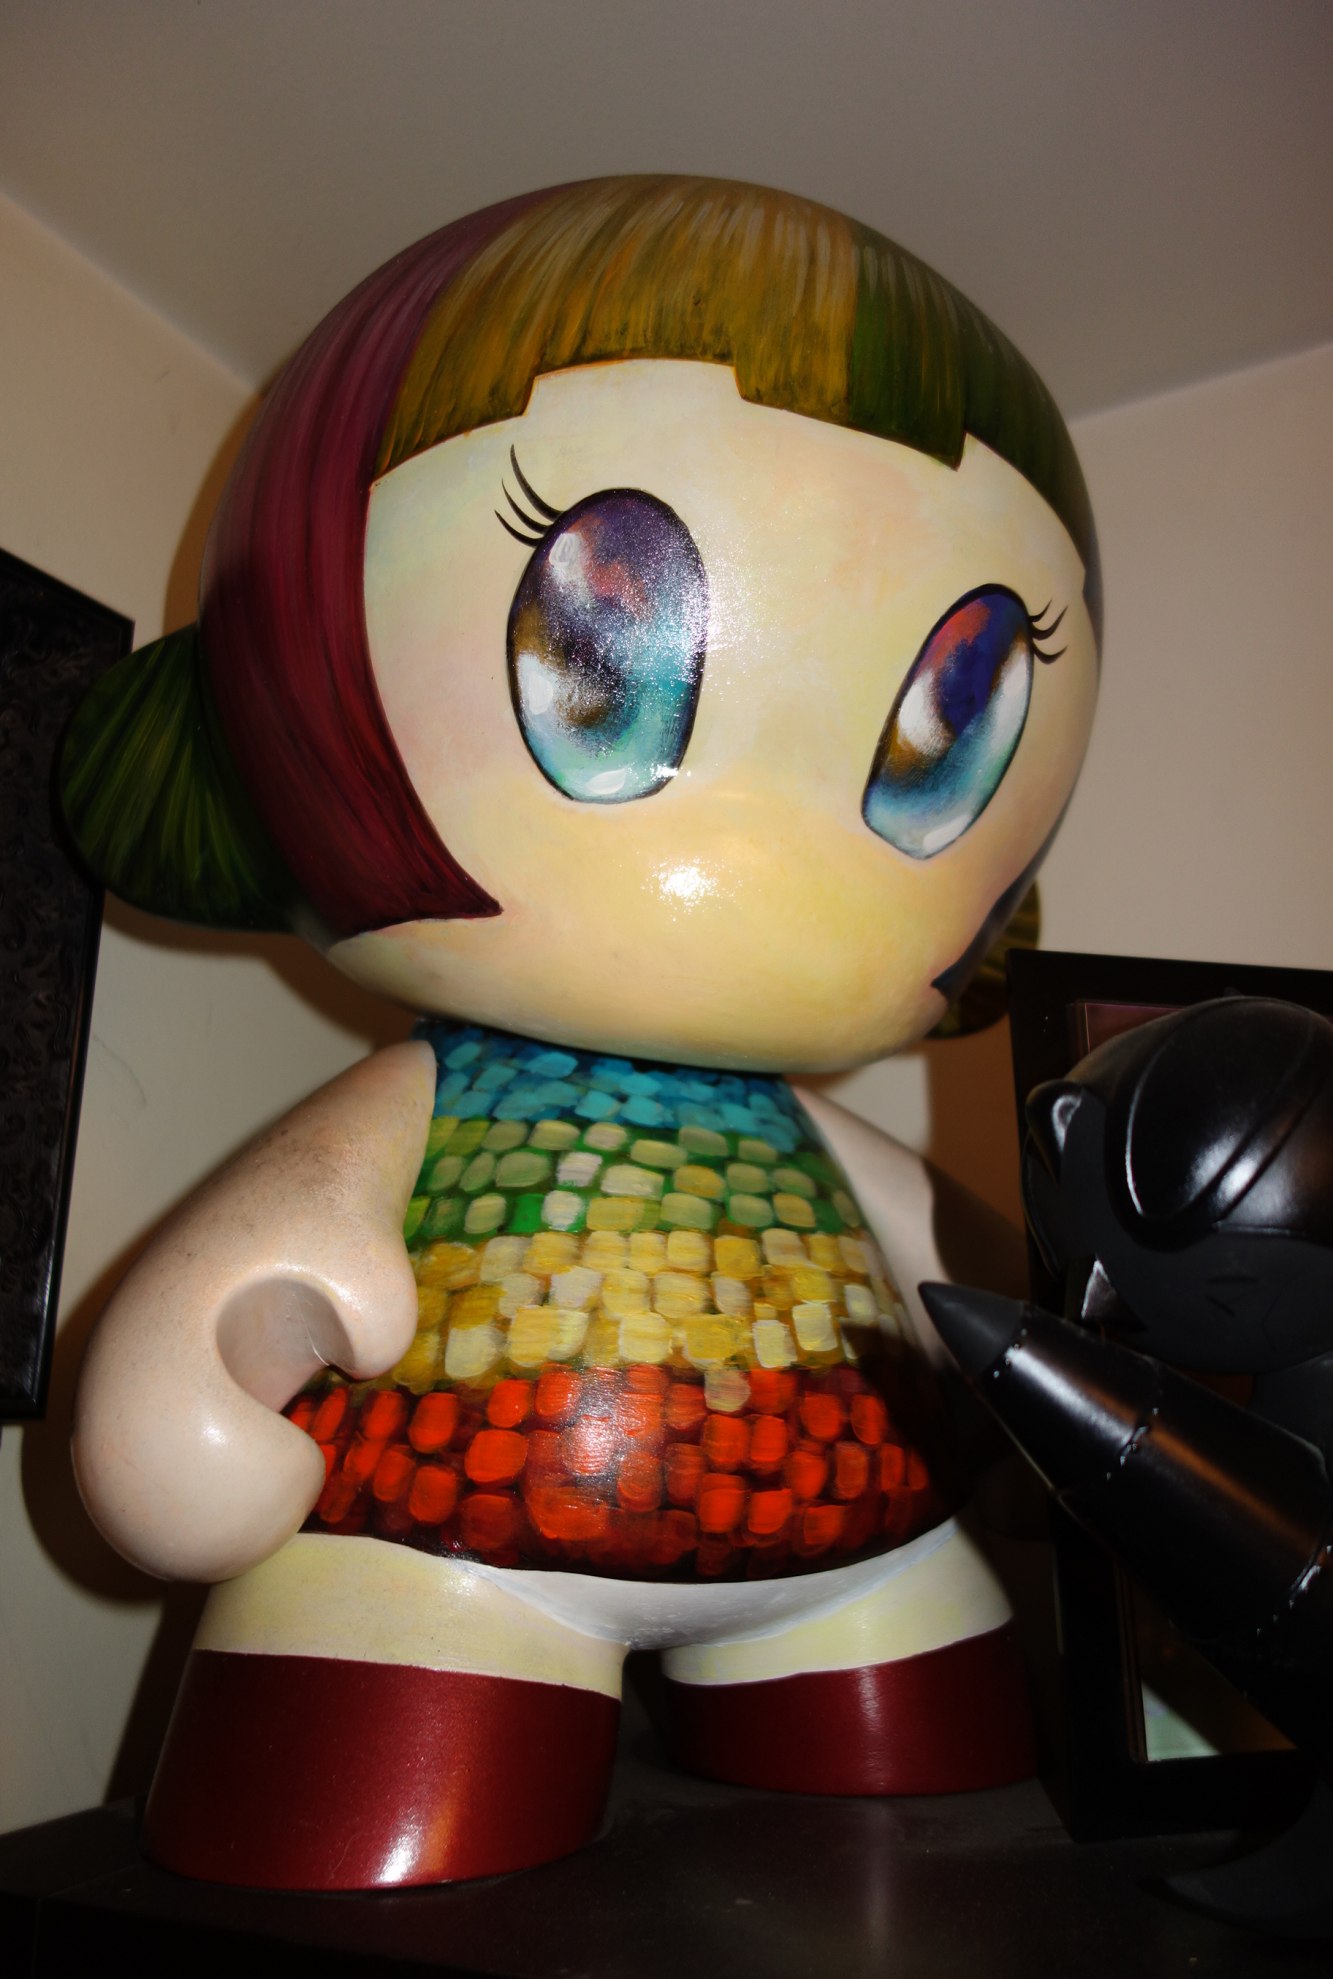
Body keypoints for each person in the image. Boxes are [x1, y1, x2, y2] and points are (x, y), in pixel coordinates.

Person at [62, 175, 1101, 1889]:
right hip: (436, 1554)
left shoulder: (818, 1128)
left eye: (946, 719)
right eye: (604, 656)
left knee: (948, 1870)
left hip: (863, 1550)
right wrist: (183, 1392)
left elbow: (979, 1289)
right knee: (351, 1867)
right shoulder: (433, 1091)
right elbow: (235, 1309)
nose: (770, 870)